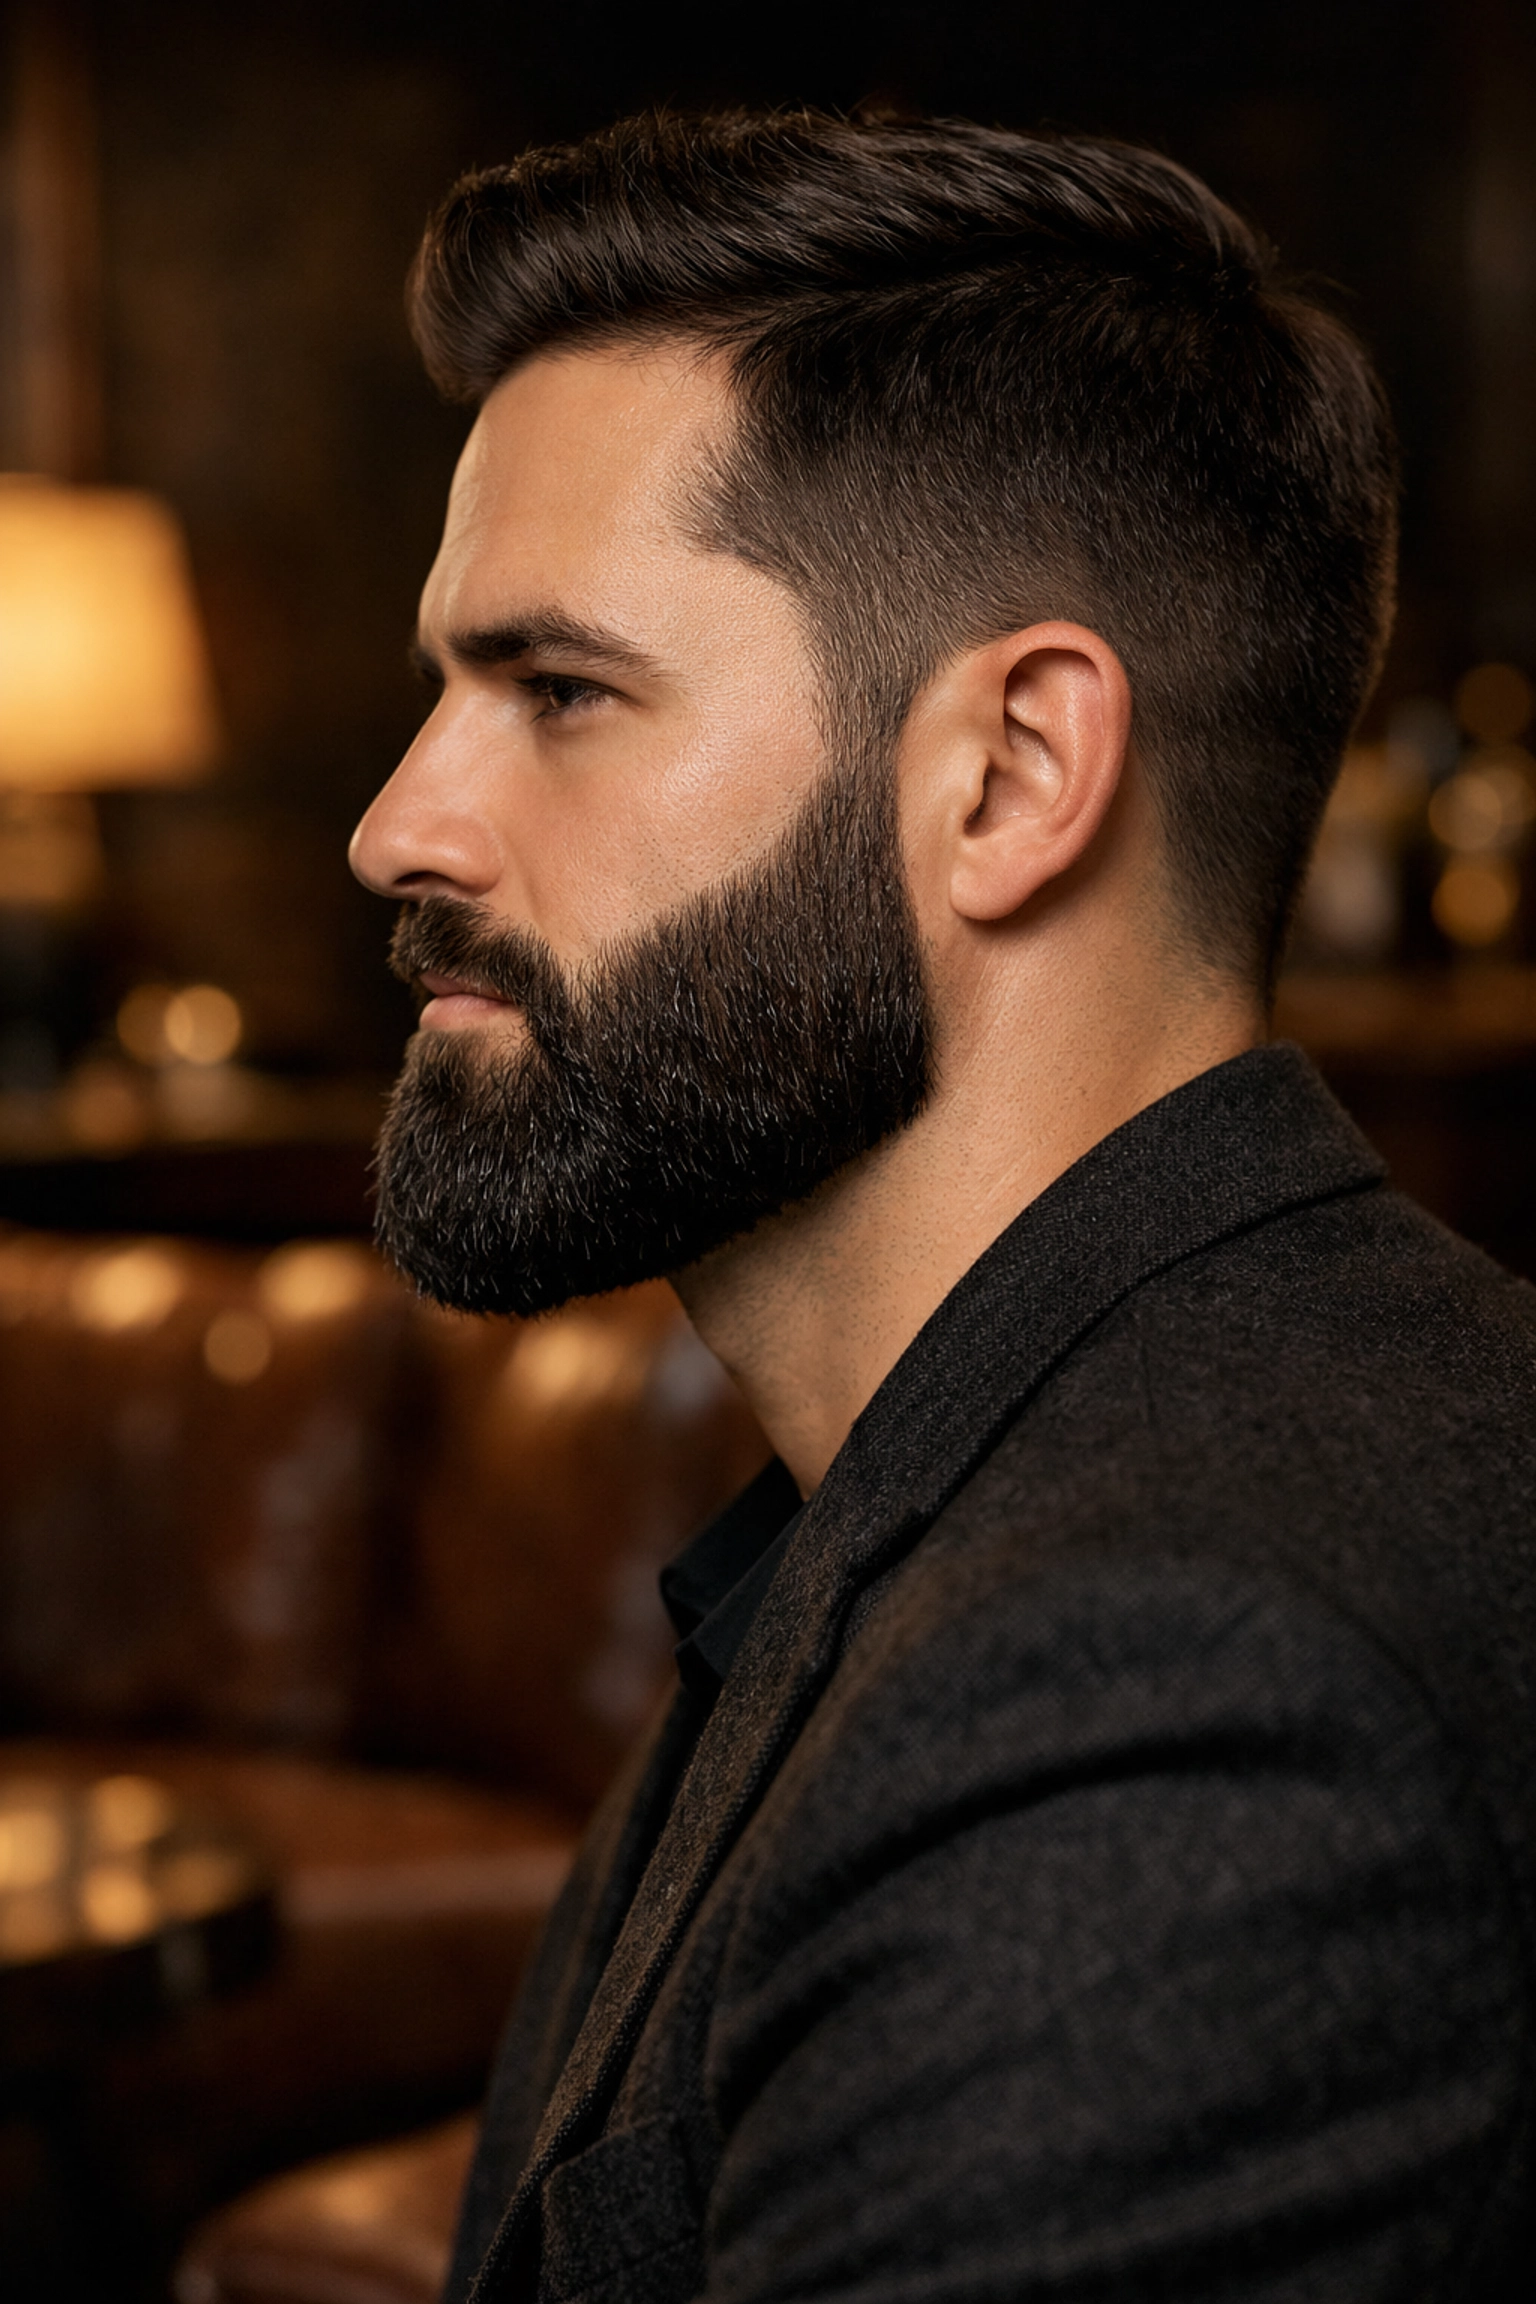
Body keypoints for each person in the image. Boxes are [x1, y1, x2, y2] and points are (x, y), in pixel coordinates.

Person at [348, 110, 1536, 2304]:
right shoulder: (973, 1489)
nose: (397, 824)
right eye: (446, 687)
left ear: (1007, 775)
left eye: (562, 691)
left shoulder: (1180, 1706)